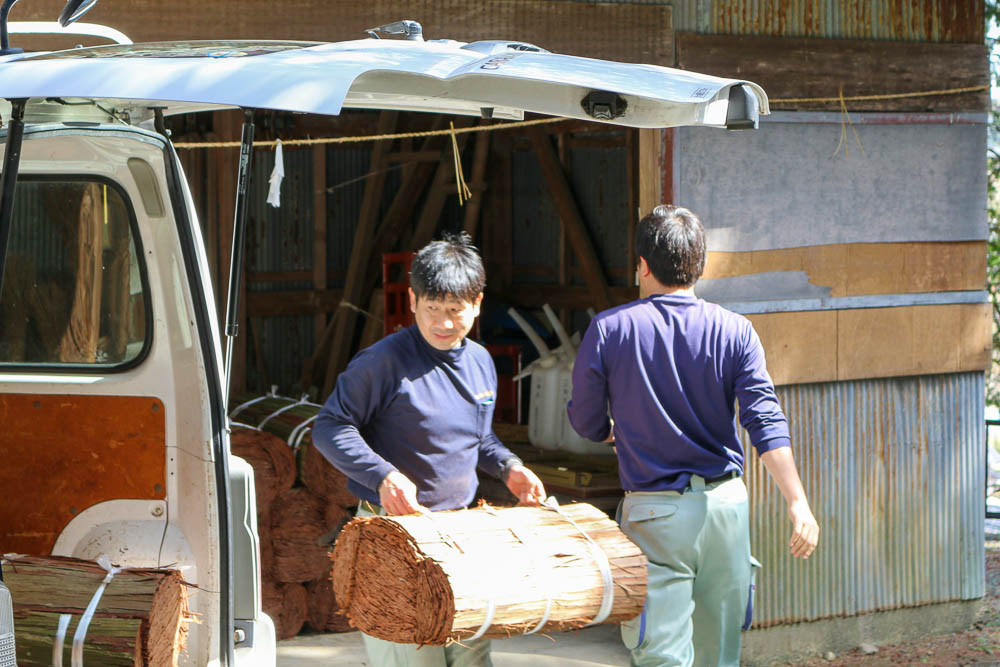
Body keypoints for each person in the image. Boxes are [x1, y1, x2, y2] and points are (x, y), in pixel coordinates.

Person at [567, 205, 819, 667]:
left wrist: (610, 433)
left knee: (661, 653)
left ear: (642, 265)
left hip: (655, 512)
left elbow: (584, 419)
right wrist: (797, 501)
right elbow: (764, 420)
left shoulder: (609, 329)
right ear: (699, 265)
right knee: (719, 654)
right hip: (725, 510)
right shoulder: (736, 330)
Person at [313, 232, 546, 667]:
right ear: (413, 300)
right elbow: (328, 427)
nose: (443, 322)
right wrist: (384, 476)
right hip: (393, 538)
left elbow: (479, 439)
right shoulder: (382, 362)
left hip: (462, 540)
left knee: (473, 660)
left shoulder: (479, 361)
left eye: (455, 310)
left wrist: (510, 467)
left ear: (476, 303)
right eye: (432, 308)